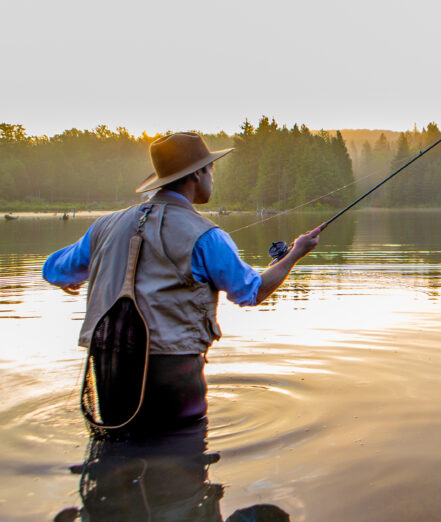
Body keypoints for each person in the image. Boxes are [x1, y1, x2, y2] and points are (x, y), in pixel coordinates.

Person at [42, 131, 320, 432]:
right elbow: (252, 292)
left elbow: (54, 270)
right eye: (210, 169)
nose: (212, 177)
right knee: (181, 459)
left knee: (117, 451)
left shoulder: (103, 227)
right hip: (174, 384)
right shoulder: (206, 235)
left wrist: (71, 280)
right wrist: (295, 254)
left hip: (110, 378)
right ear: (197, 174)